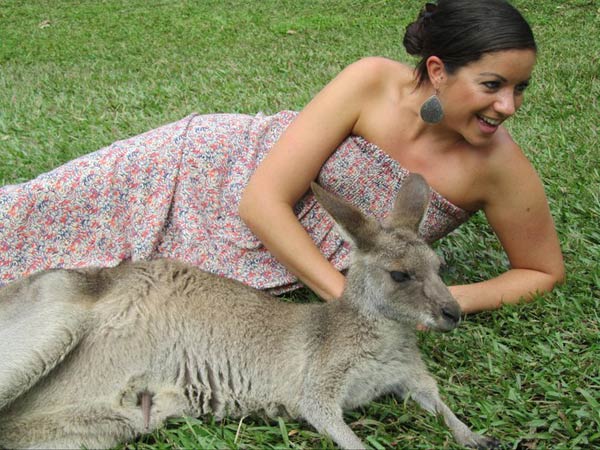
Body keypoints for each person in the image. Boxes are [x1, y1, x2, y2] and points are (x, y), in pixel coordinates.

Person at [0, 0, 564, 314]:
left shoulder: (498, 167)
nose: (508, 106)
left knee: (70, 295)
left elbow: (542, 270)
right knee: (22, 217)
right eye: (493, 85)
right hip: (196, 168)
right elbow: (262, 200)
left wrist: (442, 299)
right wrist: (352, 299)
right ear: (438, 70)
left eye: (520, 89)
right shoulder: (370, 82)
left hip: (254, 263)